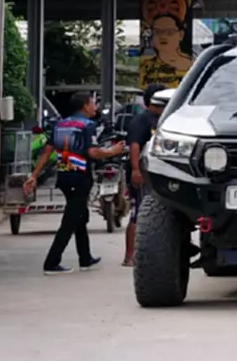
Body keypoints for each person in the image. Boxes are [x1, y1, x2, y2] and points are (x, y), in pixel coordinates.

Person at [25, 92, 125, 275]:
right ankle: (51, 262)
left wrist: (34, 175)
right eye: (93, 103)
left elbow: (47, 151)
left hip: (64, 176)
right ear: (85, 106)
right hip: (79, 177)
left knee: (80, 216)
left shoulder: (60, 124)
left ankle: (85, 258)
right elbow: (93, 152)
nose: (95, 107)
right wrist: (113, 151)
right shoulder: (87, 125)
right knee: (70, 220)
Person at [122, 82, 167, 267]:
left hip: (158, 174)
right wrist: (136, 170)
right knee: (138, 213)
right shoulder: (141, 120)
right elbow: (134, 145)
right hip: (142, 173)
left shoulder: (162, 119)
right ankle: (130, 256)